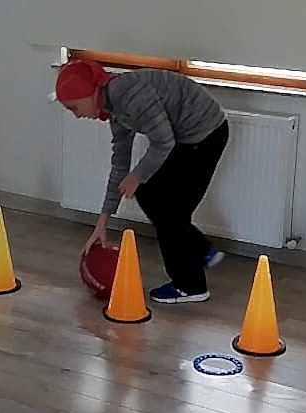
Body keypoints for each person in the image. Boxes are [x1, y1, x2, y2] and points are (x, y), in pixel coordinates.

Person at [54, 59, 230, 304]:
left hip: (205, 133)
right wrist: (102, 223)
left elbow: (163, 142)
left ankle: (190, 286)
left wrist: (136, 176)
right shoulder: (114, 109)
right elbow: (120, 164)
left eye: (74, 107)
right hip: (185, 138)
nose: (76, 115)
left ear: (88, 93)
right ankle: (201, 251)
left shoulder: (127, 95)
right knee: (149, 194)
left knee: (170, 214)